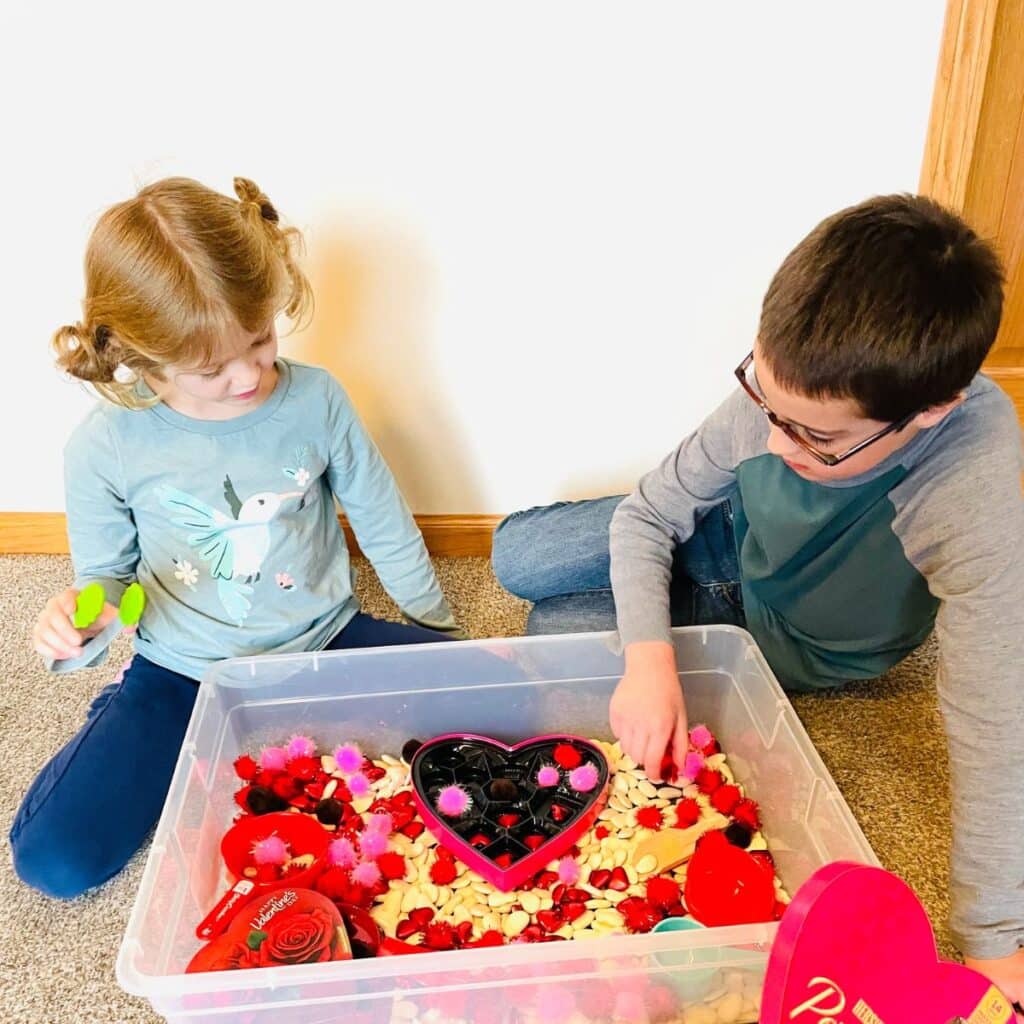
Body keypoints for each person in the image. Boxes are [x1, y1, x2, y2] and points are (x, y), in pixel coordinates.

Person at [492, 194, 1024, 1000]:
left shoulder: (967, 485)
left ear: (929, 413)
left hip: (795, 635)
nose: (773, 442)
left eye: (815, 436)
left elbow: (994, 717)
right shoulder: (790, 395)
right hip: (729, 541)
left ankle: (664, 609)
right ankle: (663, 609)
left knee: (553, 628)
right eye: (767, 405)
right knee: (514, 556)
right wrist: (648, 665)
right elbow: (649, 513)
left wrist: (991, 939)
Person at [12, 176, 462, 900]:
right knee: (55, 861)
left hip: (326, 643)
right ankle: (126, 722)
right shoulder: (103, 446)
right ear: (142, 356)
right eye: (212, 368)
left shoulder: (315, 398)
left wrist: (435, 627)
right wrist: (87, 618)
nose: (251, 374)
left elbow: (381, 518)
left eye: (261, 339)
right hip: (184, 675)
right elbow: (113, 586)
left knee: (507, 700)